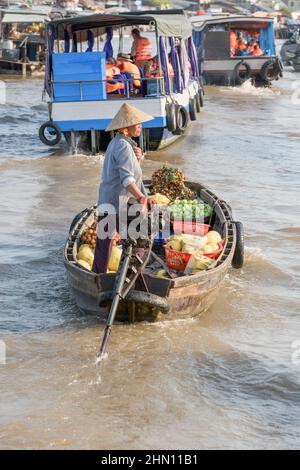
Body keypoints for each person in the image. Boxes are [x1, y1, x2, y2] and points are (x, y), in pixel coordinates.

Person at [92, 103, 154, 274]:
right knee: (139, 242)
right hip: (119, 204)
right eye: (137, 123)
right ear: (126, 128)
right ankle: (133, 277)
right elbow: (127, 180)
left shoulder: (117, 143)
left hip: (108, 201)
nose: (140, 126)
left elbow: (127, 172)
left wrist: (137, 160)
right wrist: (143, 197)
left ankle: (99, 279)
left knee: (104, 247)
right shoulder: (123, 146)